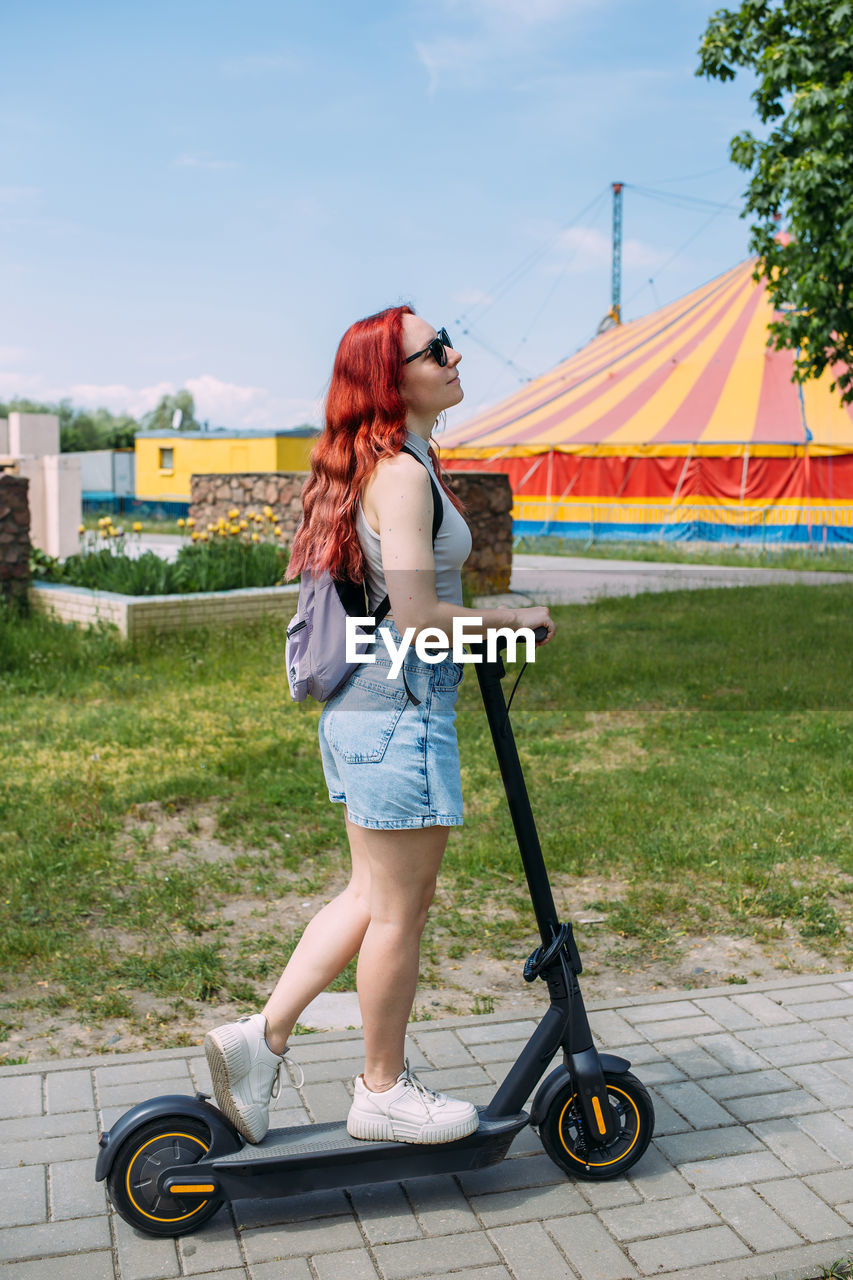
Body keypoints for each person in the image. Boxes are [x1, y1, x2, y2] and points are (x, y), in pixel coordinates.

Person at [204, 306, 555, 1146]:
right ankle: (381, 1092)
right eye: (435, 349)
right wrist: (516, 620)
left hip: (373, 712)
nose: (454, 352)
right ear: (390, 380)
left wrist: (488, 620)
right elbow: (416, 616)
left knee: (370, 897)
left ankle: (259, 1041)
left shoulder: (402, 463)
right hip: (399, 715)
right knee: (400, 910)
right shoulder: (397, 474)